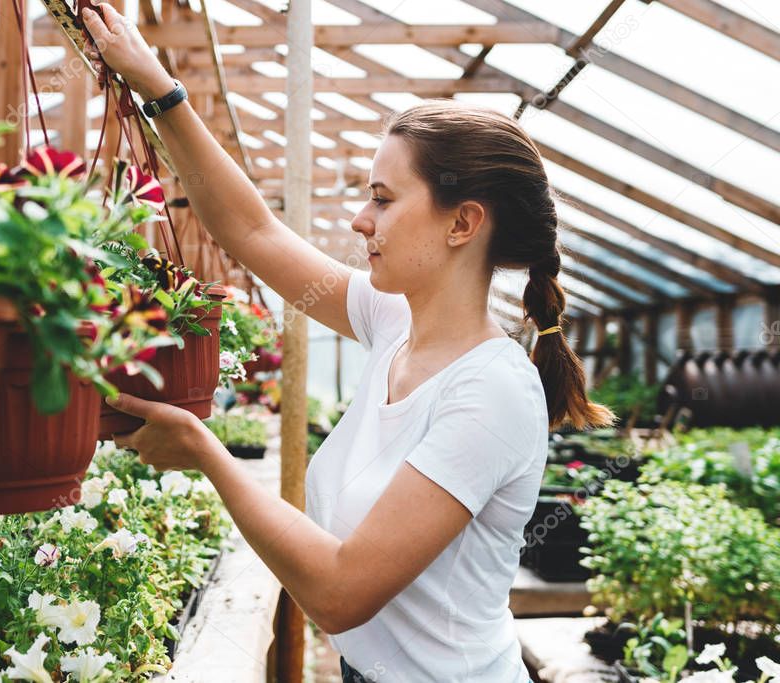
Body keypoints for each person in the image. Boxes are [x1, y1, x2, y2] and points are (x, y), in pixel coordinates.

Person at [82, 4, 614, 681]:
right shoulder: (394, 320)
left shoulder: (492, 393)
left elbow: (340, 592)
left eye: (384, 199)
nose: (361, 220)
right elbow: (252, 233)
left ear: (463, 223)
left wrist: (204, 453)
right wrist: (158, 87)